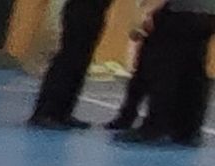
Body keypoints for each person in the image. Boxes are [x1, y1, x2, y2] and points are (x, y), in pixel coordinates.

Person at [115, 0, 215, 144]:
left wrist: (147, 11)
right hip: (207, 12)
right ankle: (189, 130)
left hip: (177, 12)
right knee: (193, 69)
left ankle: (155, 127)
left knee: (164, 69)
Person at [28, 0, 117, 129]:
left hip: (97, 11)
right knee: (67, 61)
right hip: (81, 9)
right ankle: (45, 112)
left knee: (80, 63)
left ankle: (63, 112)